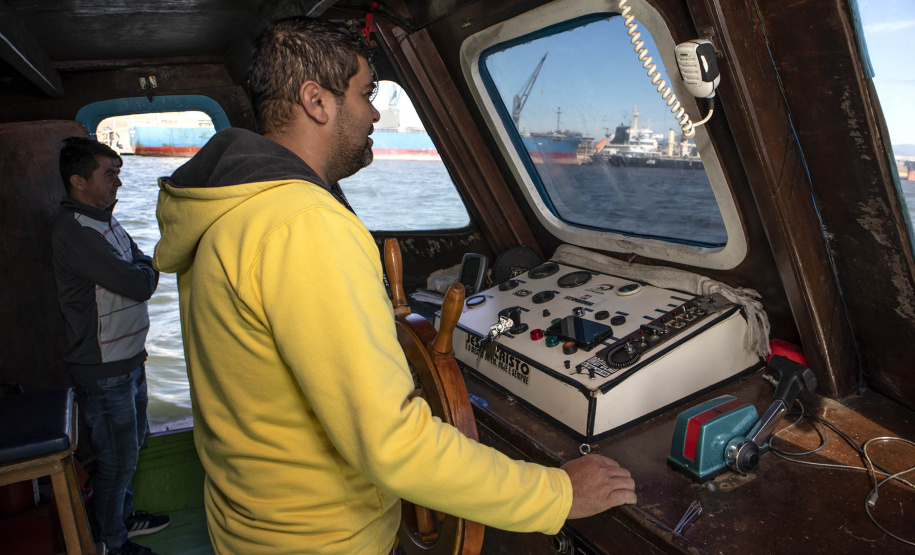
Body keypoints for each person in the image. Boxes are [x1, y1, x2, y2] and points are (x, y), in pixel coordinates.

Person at [153, 16, 636, 555]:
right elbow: (391, 444)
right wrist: (556, 493)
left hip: (250, 525)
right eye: (366, 93)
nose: (375, 111)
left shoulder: (228, 205)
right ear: (317, 101)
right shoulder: (302, 225)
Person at [52, 137, 170, 555]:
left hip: (127, 361)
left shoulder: (103, 220)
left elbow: (142, 265)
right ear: (78, 181)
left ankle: (120, 518)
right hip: (104, 371)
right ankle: (111, 542)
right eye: (109, 175)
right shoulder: (77, 233)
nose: (118, 182)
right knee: (117, 460)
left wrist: (142, 270)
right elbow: (140, 282)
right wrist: (142, 272)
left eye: (119, 173)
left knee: (131, 447)